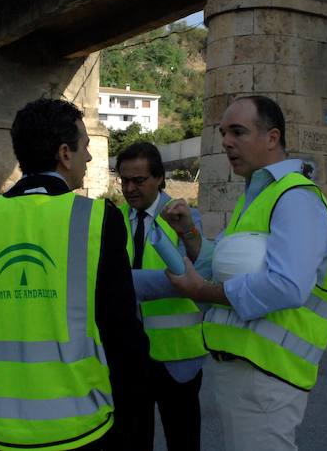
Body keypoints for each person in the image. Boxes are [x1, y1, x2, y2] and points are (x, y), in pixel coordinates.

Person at [0, 98, 151, 450]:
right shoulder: (97, 219)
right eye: (85, 147)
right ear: (64, 153)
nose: (90, 158)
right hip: (84, 430)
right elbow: (123, 336)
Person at [164, 95, 327, 451]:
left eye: (238, 132)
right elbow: (231, 267)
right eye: (223, 133)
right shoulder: (259, 196)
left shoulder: (295, 198)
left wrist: (202, 292)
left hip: (268, 377)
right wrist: (190, 235)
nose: (226, 142)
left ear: (272, 138)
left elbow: (287, 285)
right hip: (244, 373)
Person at [116, 142, 205, 451]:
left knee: (182, 441)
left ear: (159, 179)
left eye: (138, 181)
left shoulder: (185, 219)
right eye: (124, 180)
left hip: (178, 357)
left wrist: (119, 283)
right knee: (133, 442)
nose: (129, 188)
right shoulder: (114, 223)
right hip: (130, 356)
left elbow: (186, 279)